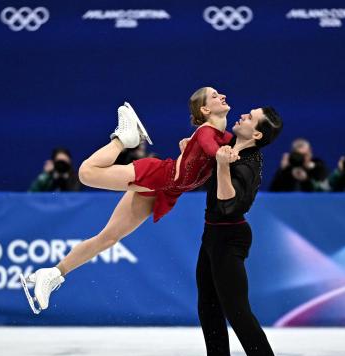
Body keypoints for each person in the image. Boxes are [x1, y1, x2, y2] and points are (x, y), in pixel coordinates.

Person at [21, 87, 233, 314]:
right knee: (86, 173)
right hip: (159, 175)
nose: (222, 96)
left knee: (108, 238)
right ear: (205, 109)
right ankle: (124, 138)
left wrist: (199, 147)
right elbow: (214, 151)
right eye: (214, 95)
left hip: (164, 190)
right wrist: (230, 154)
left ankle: (52, 273)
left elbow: (215, 148)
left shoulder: (220, 136)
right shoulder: (207, 133)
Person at [183, 106, 300, 356]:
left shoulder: (248, 163)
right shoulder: (230, 150)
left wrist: (221, 167)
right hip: (212, 237)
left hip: (229, 239)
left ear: (257, 134)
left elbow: (228, 206)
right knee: (208, 310)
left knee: (239, 314)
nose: (243, 117)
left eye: (250, 118)